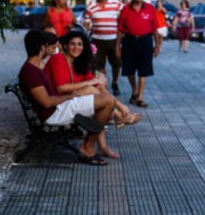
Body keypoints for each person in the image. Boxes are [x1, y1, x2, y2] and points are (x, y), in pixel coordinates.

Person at [18, 29, 127, 166]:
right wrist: (70, 96)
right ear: (42, 48)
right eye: (48, 46)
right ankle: (88, 147)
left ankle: (89, 145)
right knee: (108, 100)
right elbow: (46, 102)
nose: (52, 48)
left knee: (105, 100)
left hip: (59, 108)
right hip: (54, 113)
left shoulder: (33, 68)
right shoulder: (31, 72)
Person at [44, 30, 140, 159]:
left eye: (80, 44)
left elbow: (98, 86)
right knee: (92, 93)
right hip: (58, 103)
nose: (76, 47)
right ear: (65, 46)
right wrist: (91, 82)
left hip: (71, 100)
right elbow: (61, 88)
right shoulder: (58, 59)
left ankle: (104, 145)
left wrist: (120, 104)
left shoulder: (78, 62)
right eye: (72, 44)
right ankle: (117, 117)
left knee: (97, 94)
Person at [116, 0, 162, 108]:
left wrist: (157, 45)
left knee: (143, 70)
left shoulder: (150, 8)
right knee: (129, 70)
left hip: (145, 41)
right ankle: (134, 90)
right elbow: (120, 29)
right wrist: (117, 46)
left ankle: (140, 98)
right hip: (129, 41)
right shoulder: (125, 9)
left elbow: (155, 28)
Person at [84, 0, 123, 95]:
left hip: (113, 40)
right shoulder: (91, 6)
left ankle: (115, 83)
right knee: (99, 65)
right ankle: (103, 86)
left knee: (116, 63)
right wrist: (85, 34)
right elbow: (86, 22)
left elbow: (124, 17)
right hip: (97, 40)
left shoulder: (116, 4)